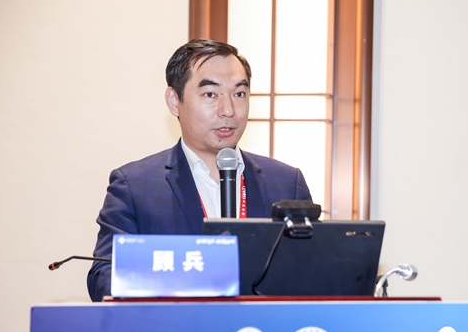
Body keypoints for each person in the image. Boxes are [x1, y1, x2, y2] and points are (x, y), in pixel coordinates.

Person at [87, 39, 312, 301]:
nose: (228, 110)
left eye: (239, 94)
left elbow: (313, 270)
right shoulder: (135, 186)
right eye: (210, 94)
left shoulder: (287, 182)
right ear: (174, 101)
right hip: (176, 325)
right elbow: (103, 276)